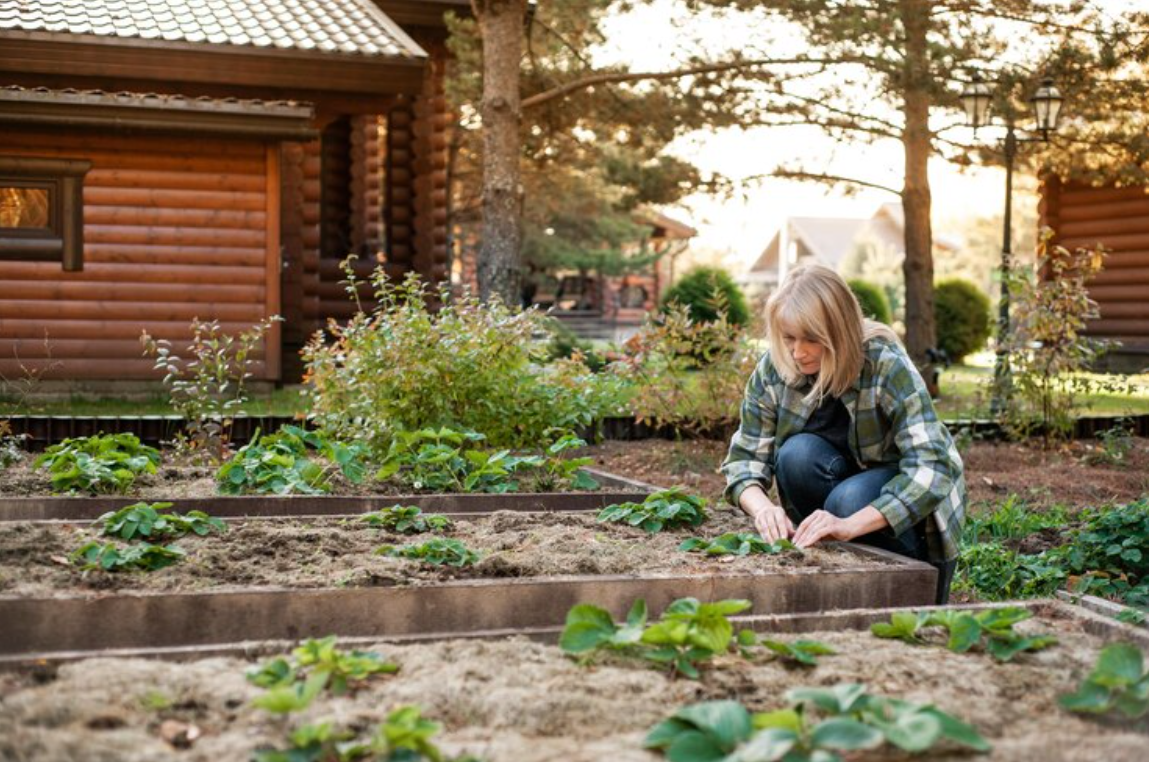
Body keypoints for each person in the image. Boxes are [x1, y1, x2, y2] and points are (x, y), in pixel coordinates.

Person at [721, 263, 964, 604]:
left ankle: (898, 582)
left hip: (907, 518)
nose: (797, 352)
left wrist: (849, 524)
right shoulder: (776, 369)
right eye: (789, 337)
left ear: (838, 332)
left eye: (812, 339)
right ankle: (833, 568)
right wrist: (763, 509)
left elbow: (934, 467)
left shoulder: (884, 363)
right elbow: (743, 463)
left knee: (847, 501)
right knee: (796, 455)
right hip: (843, 495)